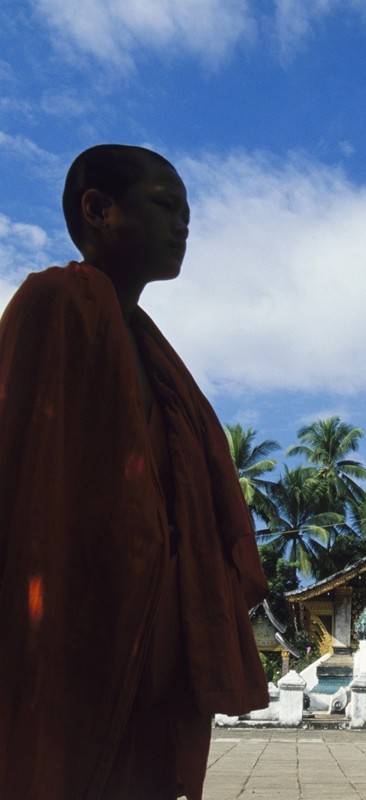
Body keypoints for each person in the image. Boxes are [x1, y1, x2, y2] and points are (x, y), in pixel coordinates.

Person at [0, 145, 269, 799]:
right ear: (100, 209)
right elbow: (15, 466)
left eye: (187, 211)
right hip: (77, 633)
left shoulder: (155, 356)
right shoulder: (52, 306)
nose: (183, 224)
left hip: (157, 650)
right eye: (164, 204)